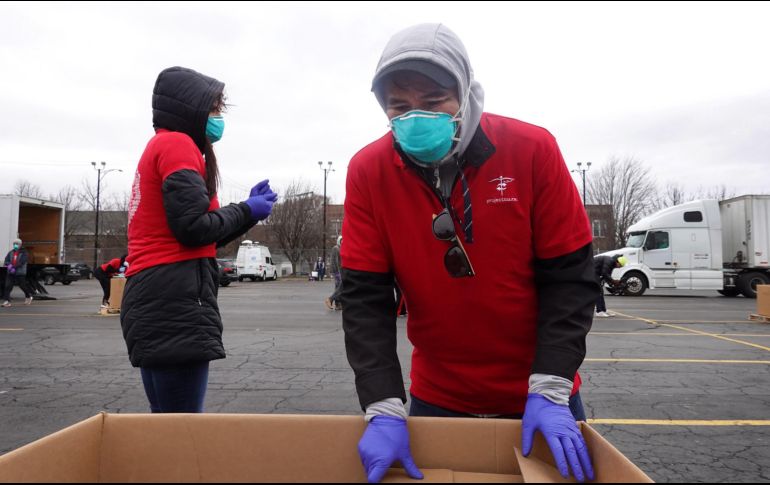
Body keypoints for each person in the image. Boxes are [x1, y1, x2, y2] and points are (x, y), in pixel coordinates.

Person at [341, 24, 599, 483]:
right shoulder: (369, 171)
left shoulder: (532, 150)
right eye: (399, 107)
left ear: (465, 92)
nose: (415, 117)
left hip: (540, 395)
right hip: (439, 398)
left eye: (434, 99)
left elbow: (570, 278)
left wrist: (552, 384)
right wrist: (381, 405)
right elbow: (365, 299)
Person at [120, 66, 277, 414]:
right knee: (183, 429)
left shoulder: (162, 144)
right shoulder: (178, 143)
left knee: (166, 422)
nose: (219, 117)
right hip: (173, 296)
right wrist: (246, 208)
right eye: (214, 108)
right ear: (189, 108)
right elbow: (193, 227)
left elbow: (204, 235)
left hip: (154, 294)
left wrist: (249, 212)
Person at [2, 239, 33, 307]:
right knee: (7, 286)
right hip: (10, 272)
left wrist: (13, 267)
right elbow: (6, 260)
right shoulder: (10, 252)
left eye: (17, 244)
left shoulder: (24, 253)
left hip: (20, 273)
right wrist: (9, 265)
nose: (15, 245)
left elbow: (22, 262)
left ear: (20, 244)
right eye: (14, 244)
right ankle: (7, 301)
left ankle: (28, 296)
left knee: (22, 286)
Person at [325, 236, 343, 310]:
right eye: (341, 240)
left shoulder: (341, 248)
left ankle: (338, 304)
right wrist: (338, 273)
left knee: (338, 287)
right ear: (339, 241)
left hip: (340, 271)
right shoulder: (336, 248)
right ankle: (333, 301)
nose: (343, 242)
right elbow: (336, 261)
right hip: (336, 271)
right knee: (339, 287)